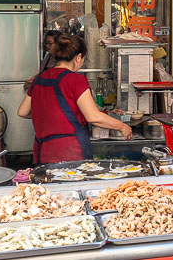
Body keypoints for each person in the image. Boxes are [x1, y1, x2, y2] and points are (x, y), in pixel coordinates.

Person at [17, 33, 131, 164]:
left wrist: (50, 115)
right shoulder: (75, 80)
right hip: (70, 154)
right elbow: (93, 117)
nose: (82, 63)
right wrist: (122, 126)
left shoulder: (40, 78)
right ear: (78, 57)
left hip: (43, 153)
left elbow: (22, 112)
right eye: (83, 59)